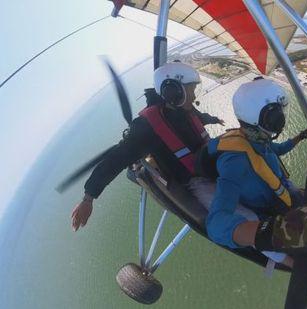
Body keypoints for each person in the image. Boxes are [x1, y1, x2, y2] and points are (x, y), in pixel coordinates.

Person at [191, 77, 307, 270]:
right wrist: (272, 233)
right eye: (278, 114)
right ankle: (296, 264)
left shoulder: (257, 139)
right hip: (269, 210)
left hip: (279, 194)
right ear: (267, 119)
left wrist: (301, 136)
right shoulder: (234, 160)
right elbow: (217, 223)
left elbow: (279, 149)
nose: (282, 117)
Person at [71, 62, 225, 231]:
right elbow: (115, 160)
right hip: (197, 181)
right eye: (191, 90)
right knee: (228, 212)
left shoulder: (183, 108)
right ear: (174, 92)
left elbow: (199, 117)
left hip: (211, 161)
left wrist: (214, 119)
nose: (194, 97)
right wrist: (88, 198)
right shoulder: (148, 128)